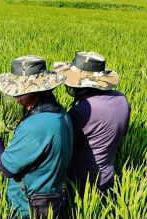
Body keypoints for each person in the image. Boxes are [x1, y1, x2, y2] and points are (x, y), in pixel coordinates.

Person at [0, 55, 73, 219]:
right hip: (53, 196)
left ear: (38, 90)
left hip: (32, 205)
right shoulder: (59, 112)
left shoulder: (36, 126)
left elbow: (7, 168)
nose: (16, 97)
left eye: (22, 91)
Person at [54, 51, 130, 195]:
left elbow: (63, 147)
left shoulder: (82, 111)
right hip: (108, 174)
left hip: (80, 180)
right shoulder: (122, 100)